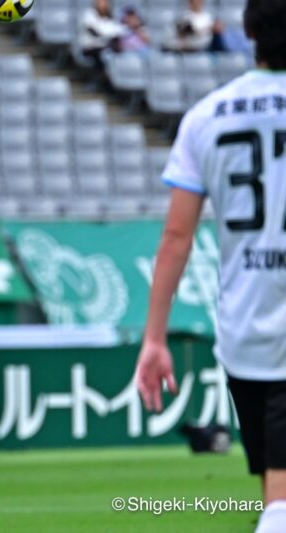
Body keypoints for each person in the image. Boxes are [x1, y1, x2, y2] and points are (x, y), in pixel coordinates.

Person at [134, 1, 286, 531]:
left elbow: (177, 236)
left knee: (276, 483)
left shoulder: (207, 116)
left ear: (248, 34)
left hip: (249, 323)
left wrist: (155, 339)